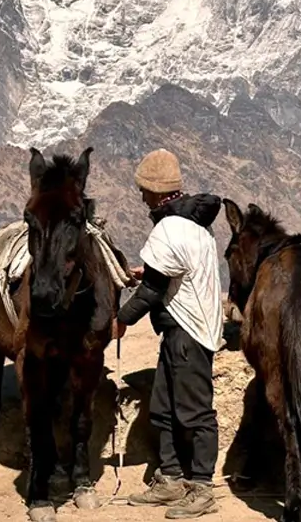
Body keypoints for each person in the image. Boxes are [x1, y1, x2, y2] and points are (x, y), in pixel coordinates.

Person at [114, 149, 223, 519]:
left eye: (145, 190)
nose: (142, 197)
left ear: (158, 193)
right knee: (163, 407)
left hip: (187, 332)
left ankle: (203, 488)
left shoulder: (169, 229)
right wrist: (150, 272)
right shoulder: (194, 225)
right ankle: (172, 479)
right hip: (181, 331)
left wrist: (121, 320)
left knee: (195, 412)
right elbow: (174, 273)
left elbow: (152, 292)